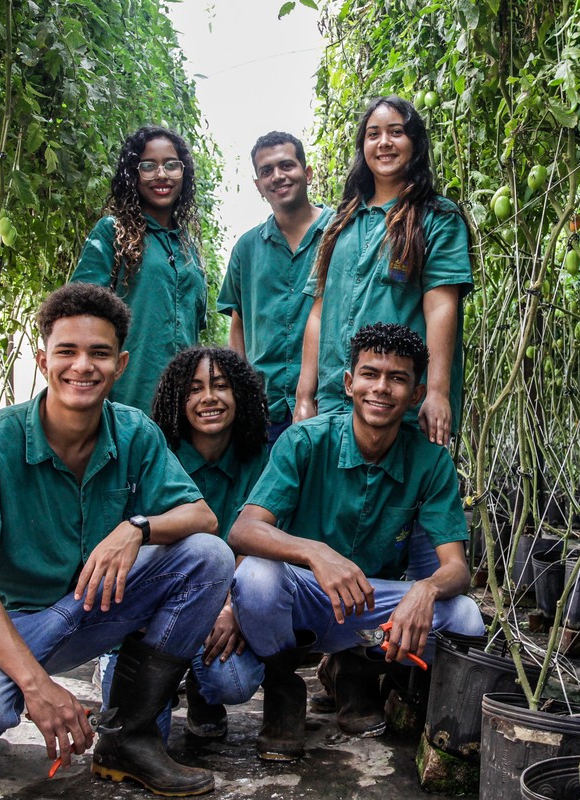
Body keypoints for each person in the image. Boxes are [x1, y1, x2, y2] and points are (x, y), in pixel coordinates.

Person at [0, 283, 229, 797]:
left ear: (121, 364)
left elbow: (203, 516)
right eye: (67, 351)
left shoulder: (134, 434)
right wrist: (38, 689)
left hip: (82, 609)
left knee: (206, 558)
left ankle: (128, 737)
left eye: (99, 353)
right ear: (43, 360)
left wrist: (137, 528)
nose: (82, 366)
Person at [229, 323, 485, 762]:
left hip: (373, 608)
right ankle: (283, 689)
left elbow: (456, 567)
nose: (381, 389)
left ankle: (357, 666)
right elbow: (244, 530)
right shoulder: (305, 441)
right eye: (370, 374)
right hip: (307, 594)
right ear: (349, 383)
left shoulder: (431, 461)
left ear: (416, 394)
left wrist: (424, 590)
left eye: (397, 378)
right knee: (255, 578)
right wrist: (316, 553)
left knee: (465, 620)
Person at [99, 346, 270, 740]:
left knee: (234, 682)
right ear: (178, 399)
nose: (208, 397)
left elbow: (259, 543)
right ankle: (133, 661)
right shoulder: (156, 453)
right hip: (158, 607)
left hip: (224, 602)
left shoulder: (258, 458)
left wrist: (232, 607)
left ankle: (201, 691)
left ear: (240, 394)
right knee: (125, 728)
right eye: (194, 389)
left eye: (221, 386)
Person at [294, 96, 473, 448]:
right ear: (363, 147)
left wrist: (436, 393)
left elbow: (440, 307)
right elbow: (318, 312)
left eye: (396, 132)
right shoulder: (338, 223)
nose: (384, 143)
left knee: (402, 499)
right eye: (373, 134)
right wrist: (304, 395)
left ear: (415, 143)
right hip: (335, 400)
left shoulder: (437, 217)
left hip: (402, 404)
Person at [73, 125, 208, 413]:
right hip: (127, 402)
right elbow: (77, 314)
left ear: (184, 173)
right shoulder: (113, 232)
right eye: (149, 166)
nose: (162, 175)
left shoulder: (188, 249)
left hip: (183, 408)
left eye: (171, 165)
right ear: (133, 174)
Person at [218, 131, 334, 442]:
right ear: (258, 186)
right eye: (266, 171)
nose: (278, 176)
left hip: (332, 404)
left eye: (287, 166)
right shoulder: (246, 248)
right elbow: (238, 326)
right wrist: (241, 395)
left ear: (307, 174)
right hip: (265, 410)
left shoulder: (341, 231)